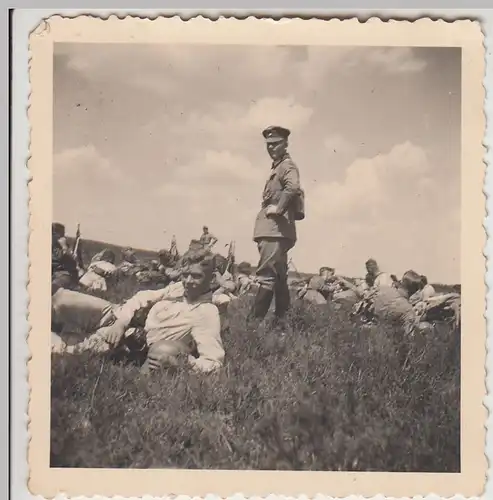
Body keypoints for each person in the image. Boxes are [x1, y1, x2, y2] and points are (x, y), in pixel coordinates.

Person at [52, 251, 225, 374]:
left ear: (210, 279)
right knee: (59, 298)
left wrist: (184, 363)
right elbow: (142, 296)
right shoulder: (179, 288)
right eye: (185, 274)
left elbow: (213, 362)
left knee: (58, 347)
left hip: (128, 341)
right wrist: (120, 322)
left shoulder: (207, 312)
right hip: (115, 314)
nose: (188, 281)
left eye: (196, 276)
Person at [250, 125, 304, 329]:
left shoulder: (286, 166)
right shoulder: (277, 166)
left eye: (276, 143)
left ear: (286, 143)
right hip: (276, 230)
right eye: (269, 144)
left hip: (274, 230)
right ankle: (282, 322)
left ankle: (252, 327)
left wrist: (279, 209)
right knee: (280, 277)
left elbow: (293, 187)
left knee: (266, 276)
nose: (272, 147)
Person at [51, 222, 79, 294]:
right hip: (51, 272)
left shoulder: (65, 246)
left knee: (53, 288)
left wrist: (64, 247)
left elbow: (72, 261)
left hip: (63, 273)